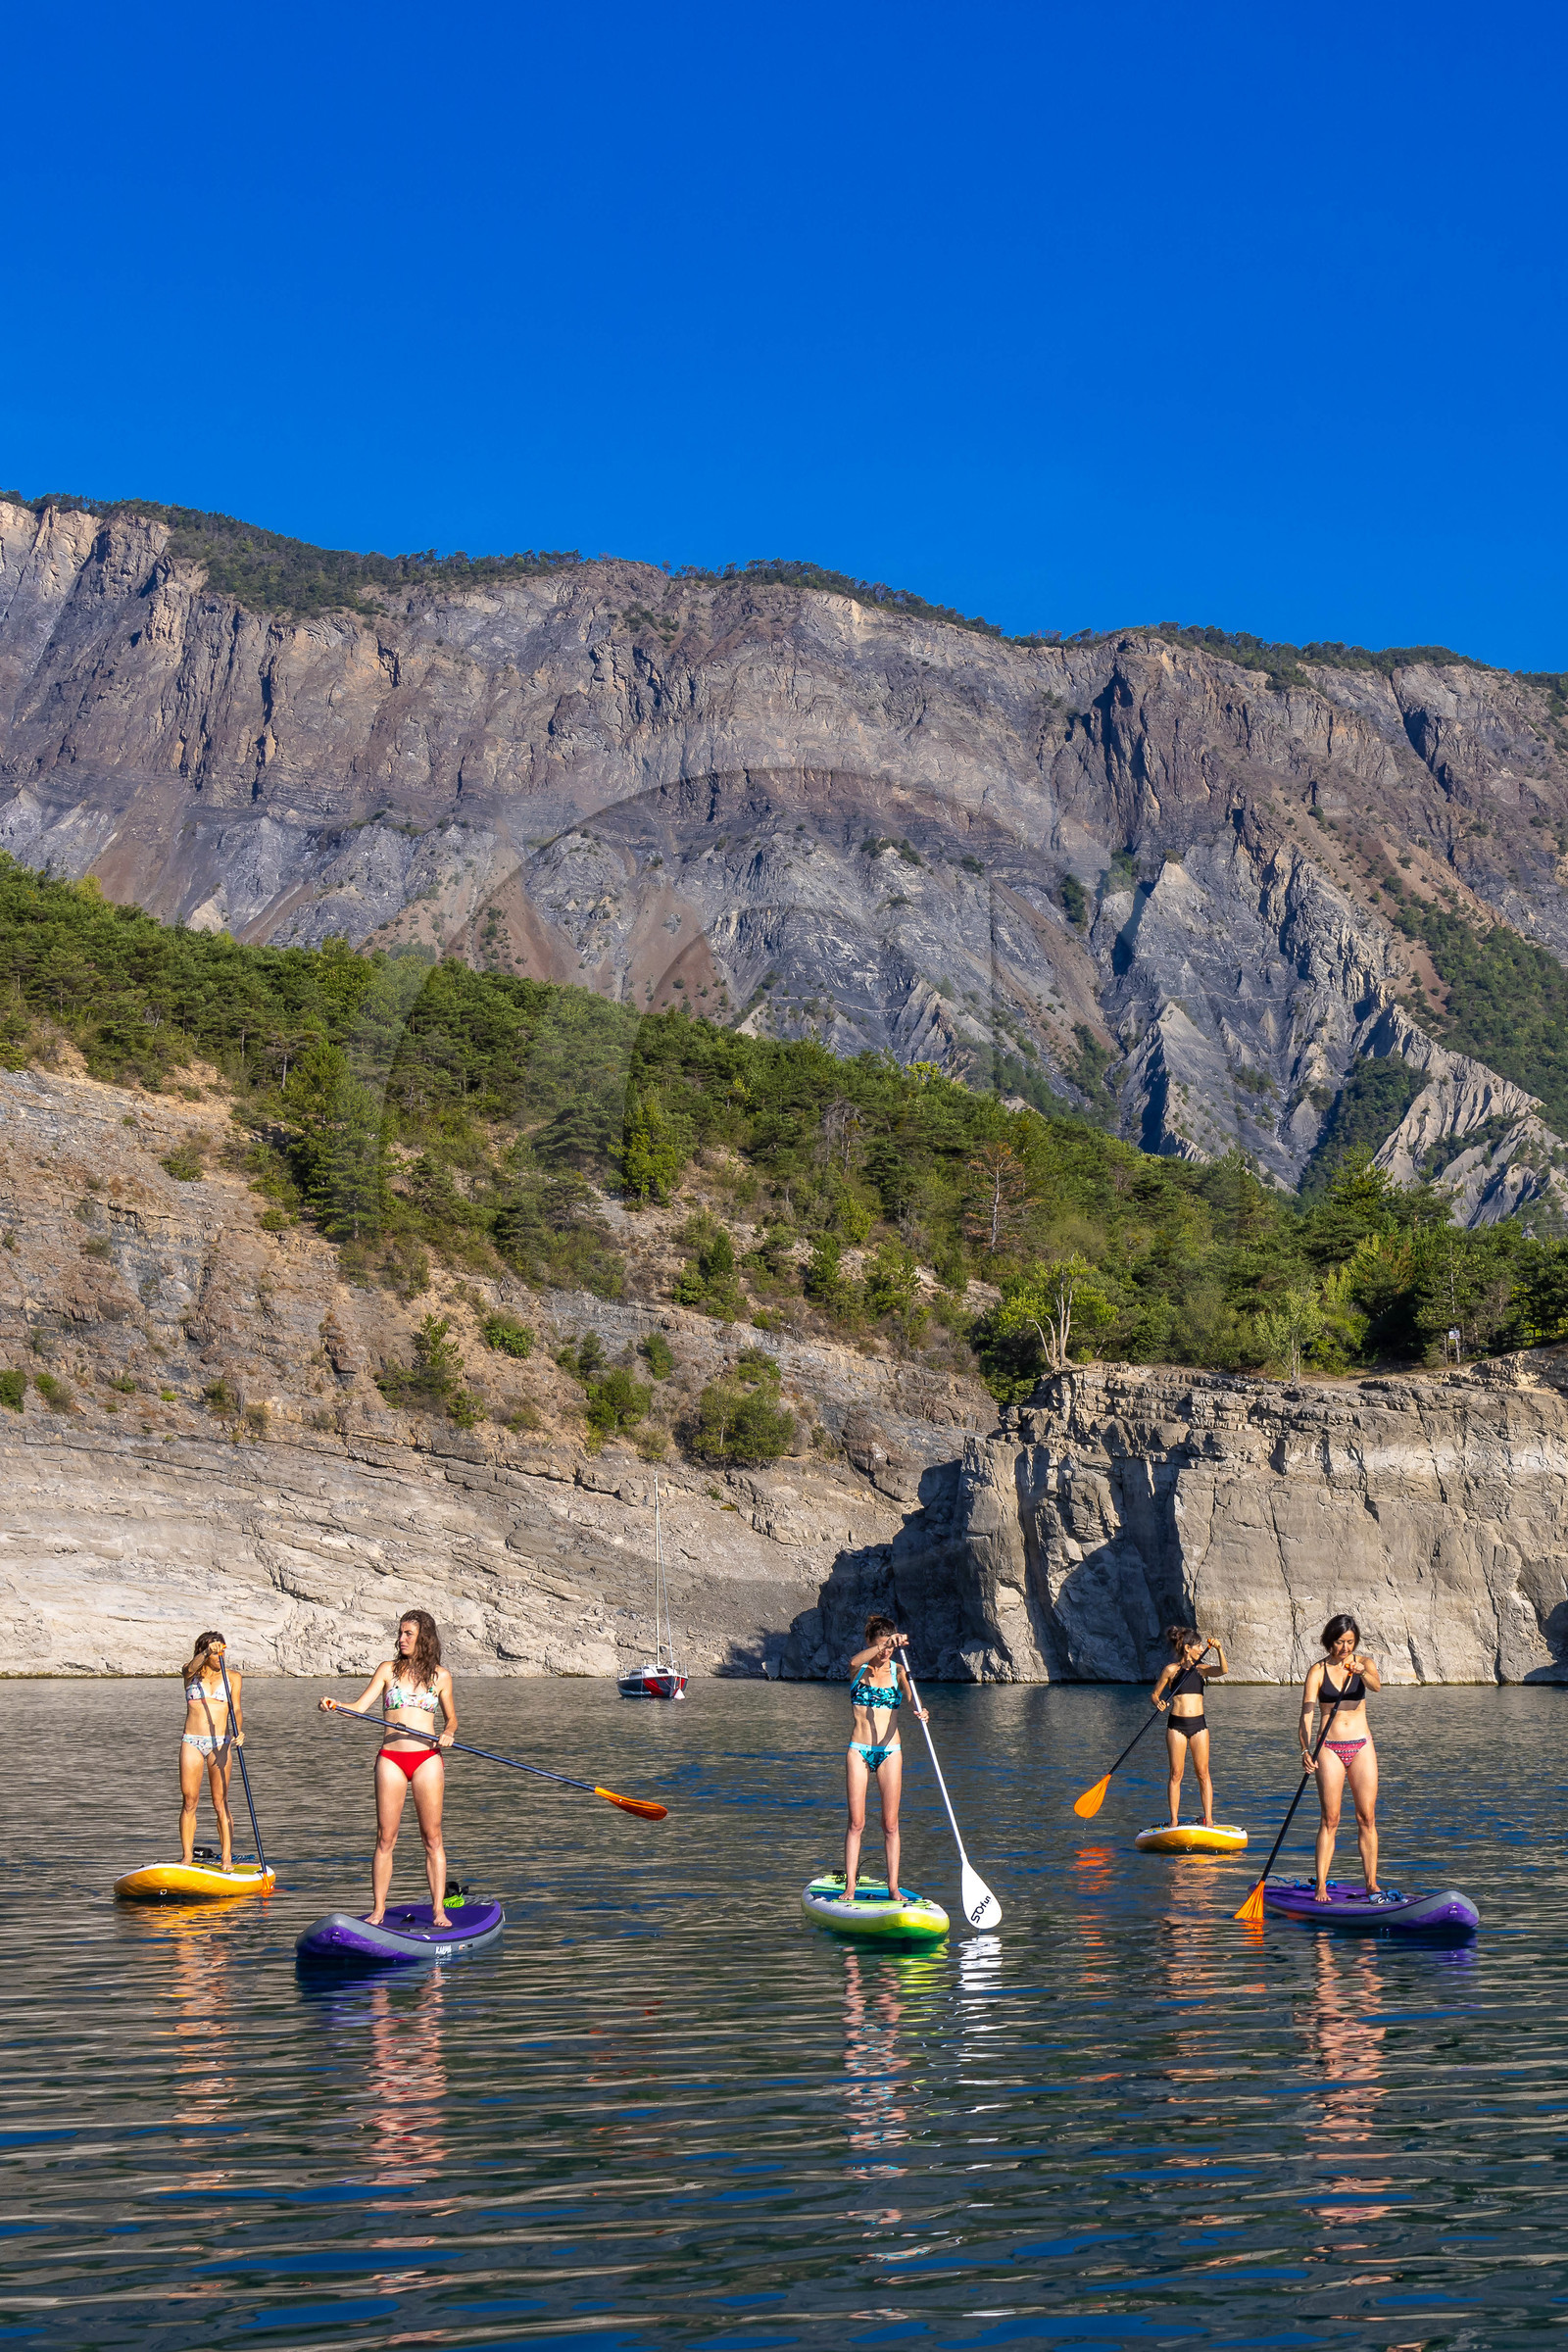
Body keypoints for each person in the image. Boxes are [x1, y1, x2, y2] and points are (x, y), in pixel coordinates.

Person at [319, 1611, 457, 1928]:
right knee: (385, 1837)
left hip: (427, 1759)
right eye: (400, 1633)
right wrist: (335, 1705)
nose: (401, 1639)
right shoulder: (387, 1671)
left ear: (424, 1637)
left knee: (432, 1837)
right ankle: (378, 1911)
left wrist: (449, 1732)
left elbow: (452, 1719)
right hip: (391, 1759)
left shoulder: (441, 1677)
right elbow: (358, 1709)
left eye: (408, 1634)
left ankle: (439, 1911)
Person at [843, 1614, 928, 1904]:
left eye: (890, 1647)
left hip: (890, 1751)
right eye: (881, 1646)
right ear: (870, 1643)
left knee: (890, 1824)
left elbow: (912, 1698)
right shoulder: (860, 1669)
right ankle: (850, 1889)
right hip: (859, 1750)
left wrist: (921, 1710)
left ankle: (894, 1888)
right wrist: (880, 1646)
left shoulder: (899, 1670)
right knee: (856, 1822)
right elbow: (854, 1662)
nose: (886, 1652)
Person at [1299, 1613, 1384, 1902]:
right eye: (1339, 1642)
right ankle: (1320, 1885)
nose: (1345, 1648)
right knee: (1330, 1819)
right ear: (1329, 1641)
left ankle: (1371, 1883)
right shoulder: (1318, 1671)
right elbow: (1307, 1713)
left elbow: (1376, 1686)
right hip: (1329, 1748)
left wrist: (1361, 1672)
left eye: (1350, 1642)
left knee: (1366, 1817)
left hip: (1361, 1745)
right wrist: (1304, 1750)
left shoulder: (1364, 1663)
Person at [1151, 1624, 1228, 1830]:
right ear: (1187, 1648)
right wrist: (1158, 1703)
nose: (1201, 1650)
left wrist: (1219, 1649)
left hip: (1199, 1726)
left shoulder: (1202, 1671)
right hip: (1176, 1726)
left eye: (1202, 1647)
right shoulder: (1171, 1670)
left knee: (1203, 1773)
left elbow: (1223, 1670)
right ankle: (1174, 1821)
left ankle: (1209, 1820)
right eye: (1198, 1646)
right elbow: (1155, 1694)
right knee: (1176, 1774)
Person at [180, 1630, 243, 1870]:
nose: (220, 1656)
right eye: (216, 1652)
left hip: (220, 1742)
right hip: (192, 1741)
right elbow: (187, 1669)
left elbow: (236, 1709)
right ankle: (187, 1856)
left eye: (223, 1651)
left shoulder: (233, 1677)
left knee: (220, 1802)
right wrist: (207, 1651)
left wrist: (239, 1730)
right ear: (204, 1652)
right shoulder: (191, 1673)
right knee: (189, 1800)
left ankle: (226, 1857)